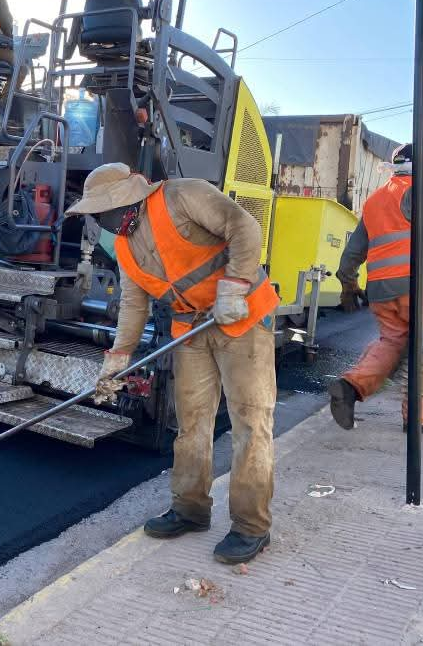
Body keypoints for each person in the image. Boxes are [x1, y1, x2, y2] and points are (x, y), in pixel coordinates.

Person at [65, 163, 279, 565]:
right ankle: (190, 508)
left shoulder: (184, 195)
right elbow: (133, 304)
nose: (100, 222)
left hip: (243, 318)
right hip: (192, 329)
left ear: (122, 200)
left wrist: (234, 286)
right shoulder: (124, 246)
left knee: (251, 422)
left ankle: (251, 526)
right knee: (192, 423)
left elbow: (244, 227)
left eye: (100, 213)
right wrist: (118, 359)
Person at [330, 143, 423, 433]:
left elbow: (353, 252)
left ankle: (350, 387)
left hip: (381, 290)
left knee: (393, 342)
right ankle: (417, 419)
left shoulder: (375, 200)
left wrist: (348, 283)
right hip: (417, 288)